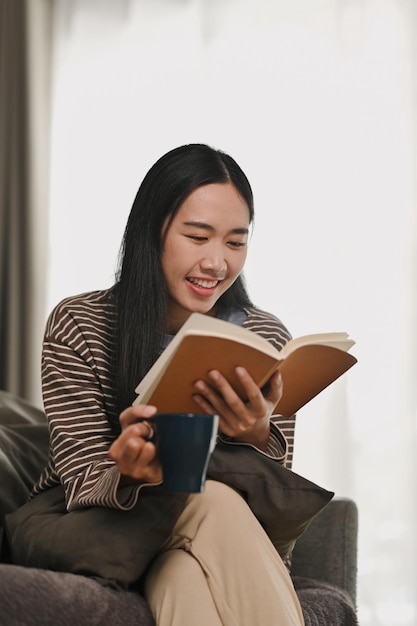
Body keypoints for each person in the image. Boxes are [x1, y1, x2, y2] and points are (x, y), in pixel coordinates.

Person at [13, 144, 305, 625]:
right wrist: (129, 471)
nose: (217, 263)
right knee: (211, 499)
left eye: (235, 242)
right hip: (90, 523)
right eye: (197, 237)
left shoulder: (263, 337)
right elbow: (82, 478)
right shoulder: (80, 323)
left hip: (192, 539)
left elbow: (271, 501)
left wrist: (256, 435)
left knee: (184, 579)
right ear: (153, 231)